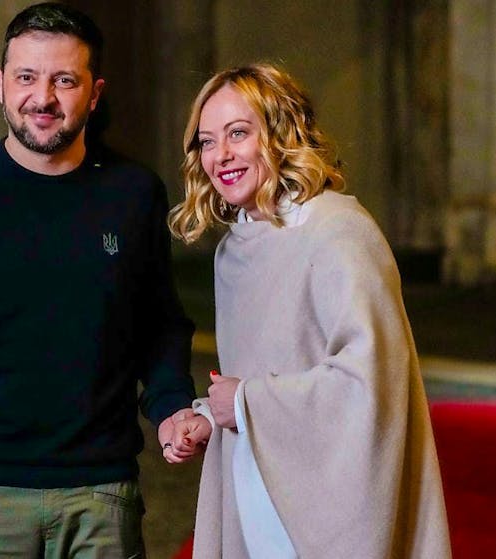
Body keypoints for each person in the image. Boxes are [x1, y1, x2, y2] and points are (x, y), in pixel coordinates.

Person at [0, 3, 200, 557]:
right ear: (1, 85)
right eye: (26, 77)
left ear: (94, 93)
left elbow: (157, 324)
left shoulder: (134, 195)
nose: (42, 98)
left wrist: (171, 405)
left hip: (101, 491)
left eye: (64, 80)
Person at [164, 63, 451, 558]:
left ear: (279, 134)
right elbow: (259, 374)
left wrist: (247, 403)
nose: (221, 156)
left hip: (321, 510)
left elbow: (372, 386)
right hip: (256, 491)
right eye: (207, 141)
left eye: (238, 133)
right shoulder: (233, 251)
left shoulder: (339, 232)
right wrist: (211, 417)